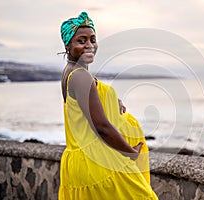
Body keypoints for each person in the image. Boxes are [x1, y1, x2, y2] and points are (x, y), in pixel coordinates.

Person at [58, 11, 158, 199]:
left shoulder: (71, 72)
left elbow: (84, 108)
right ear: (68, 44)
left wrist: (111, 101)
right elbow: (101, 127)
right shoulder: (80, 76)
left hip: (83, 160)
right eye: (81, 40)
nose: (89, 45)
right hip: (98, 162)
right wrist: (130, 153)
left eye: (93, 39)